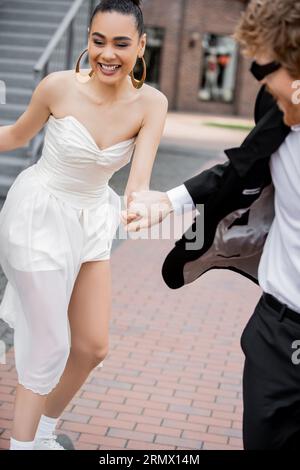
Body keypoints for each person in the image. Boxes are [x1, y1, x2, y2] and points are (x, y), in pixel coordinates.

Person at [123, 0, 300, 450]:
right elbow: (238, 169)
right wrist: (168, 201)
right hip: (275, 334)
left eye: (267, 71)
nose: (263, 87)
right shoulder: (277, 111)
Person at [0, 0, 168, 450]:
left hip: (93, 218)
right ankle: (23, 446)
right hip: (38, 212)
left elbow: (138, 184)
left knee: (92, 346)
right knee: (49, 343)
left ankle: (45, 434)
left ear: (141, 45)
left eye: (121, 43)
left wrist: (143, 208)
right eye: (98, 41)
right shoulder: (57, 87)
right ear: (87, 40)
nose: (107, 54)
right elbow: (16, 136)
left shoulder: (152, 103)